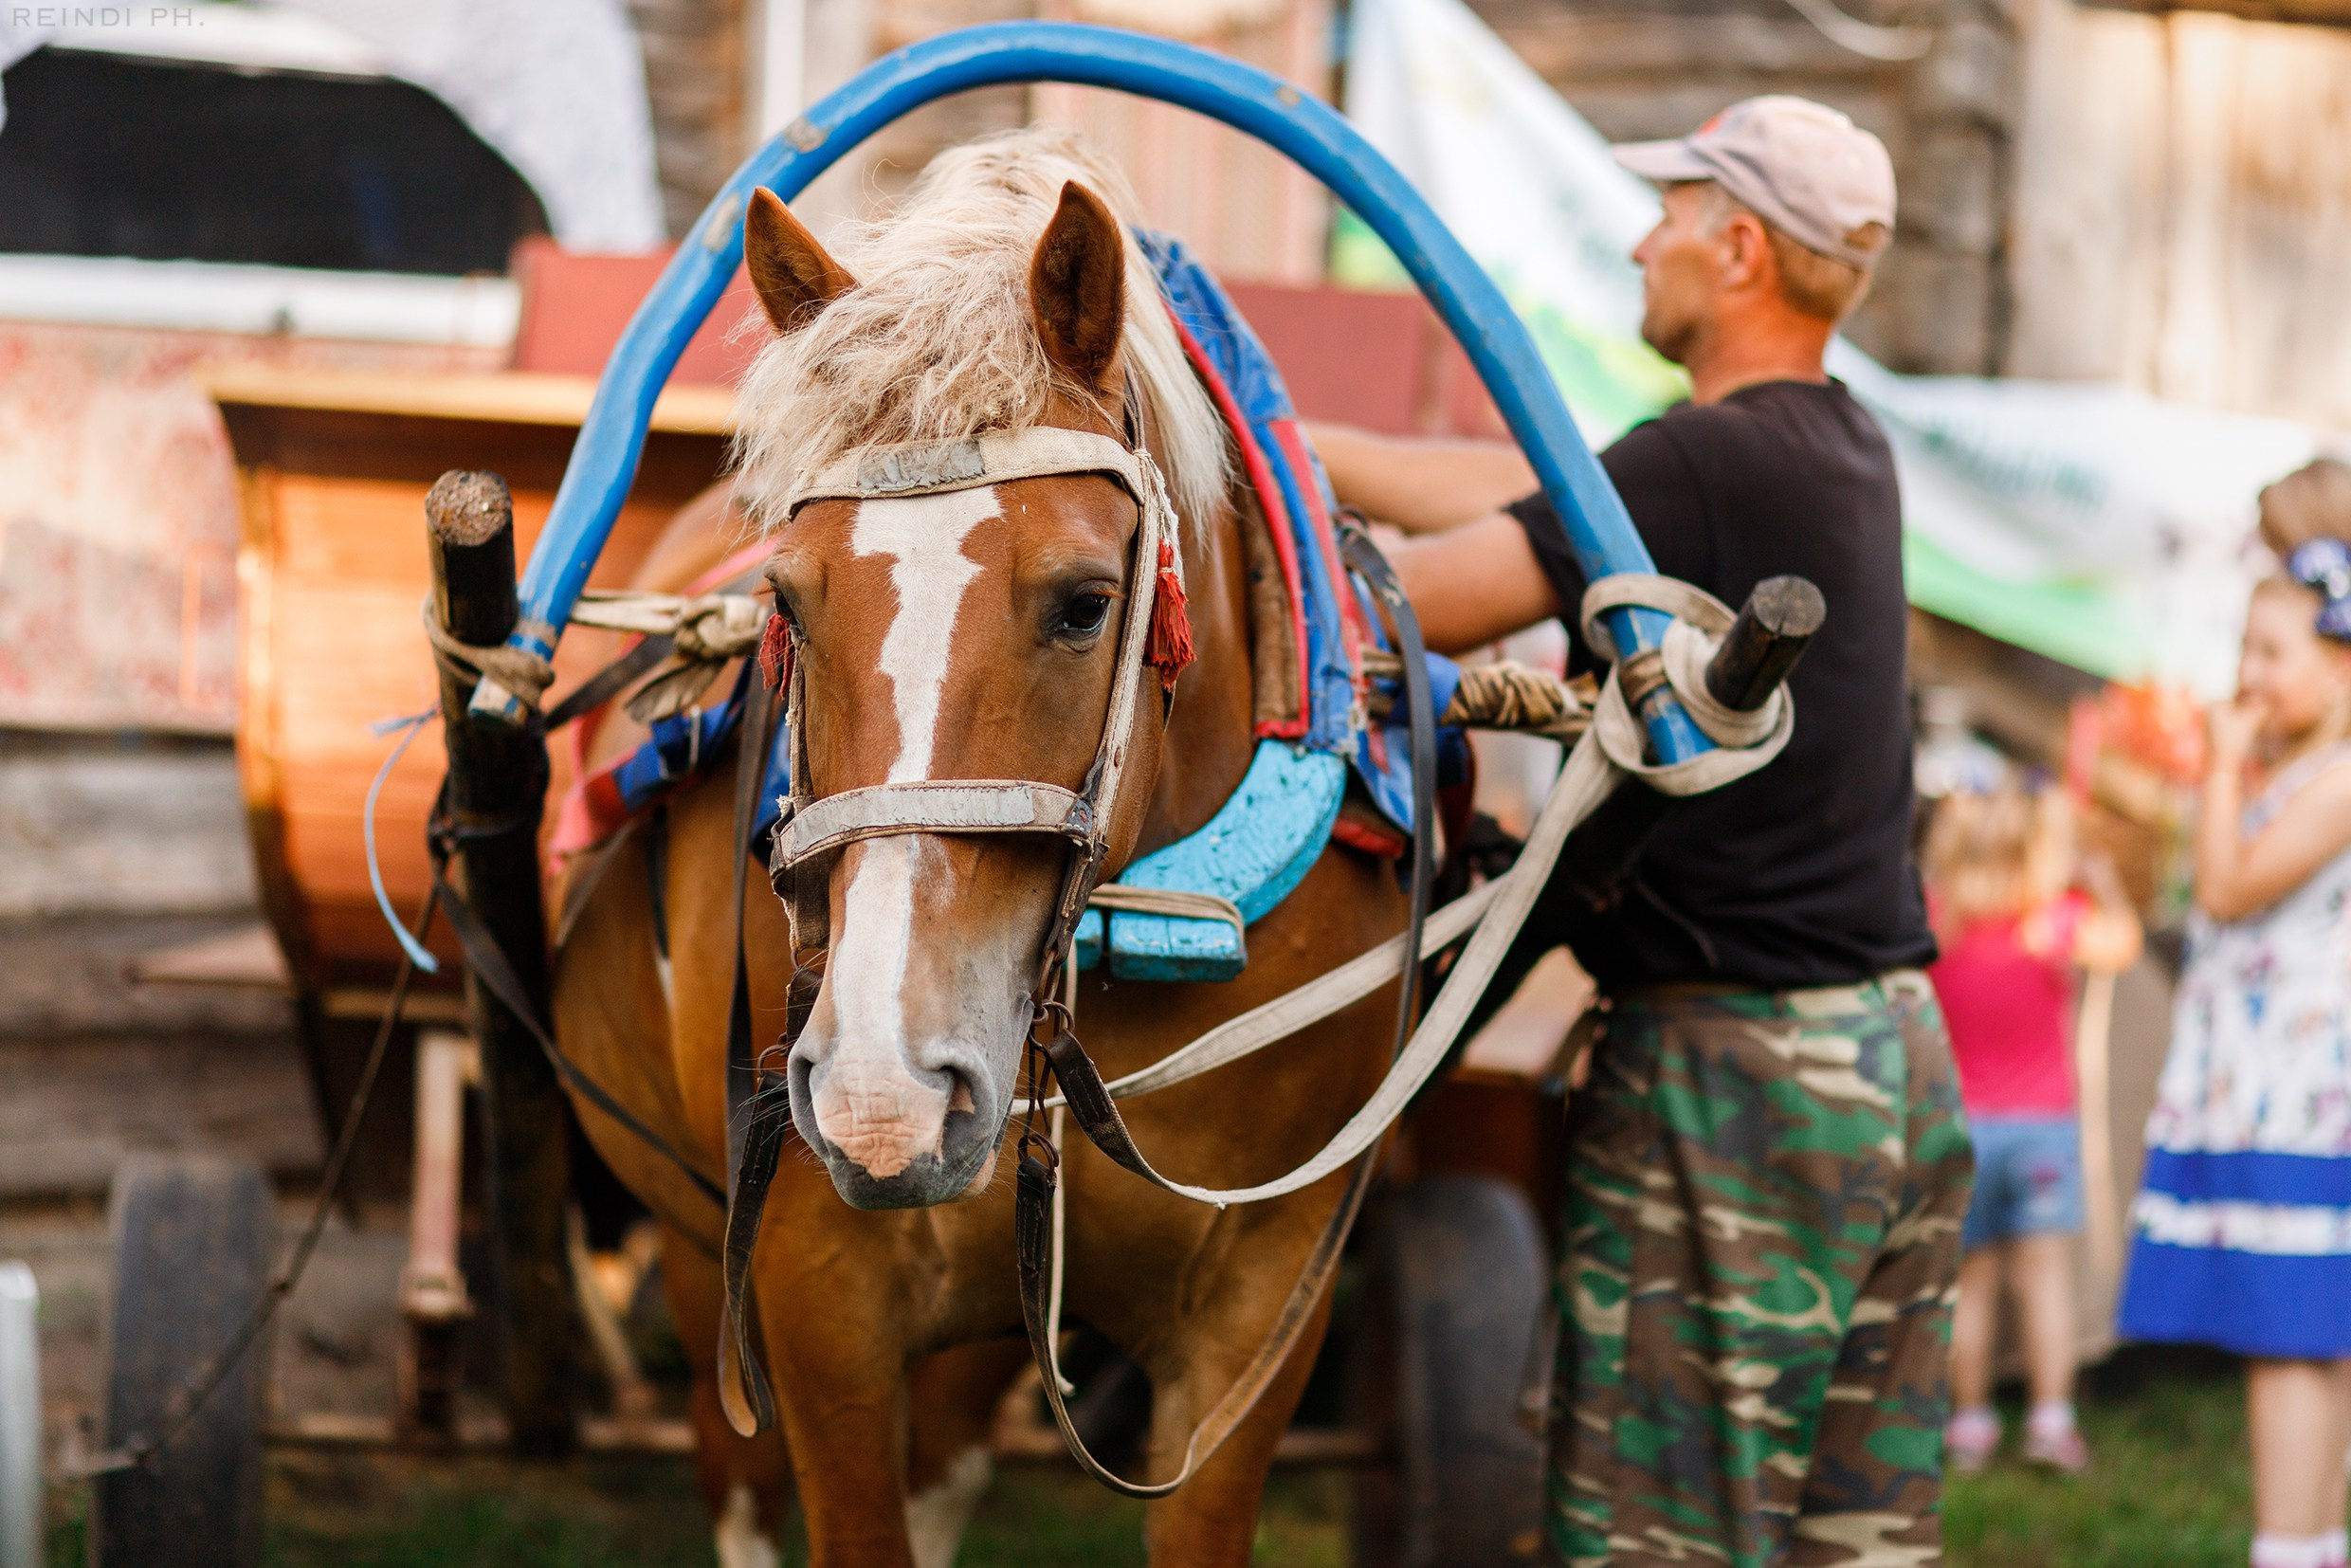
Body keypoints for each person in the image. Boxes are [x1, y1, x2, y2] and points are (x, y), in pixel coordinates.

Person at [1315, 96, 1972, 1567]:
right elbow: (1542, 505)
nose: (1639, 240)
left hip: (1736, 1078)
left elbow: (1431, 590)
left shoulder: (1708, 462)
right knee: (1851, 1535)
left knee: (1657, 1535)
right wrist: (1307, 447)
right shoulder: (1830, 444)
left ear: (1738, 248)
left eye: (1668, 215)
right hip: (1886, 1052)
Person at [2118, 507, 2351, 1568]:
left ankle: (2287, 1546)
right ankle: (2310, 1537)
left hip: (2303, 1098)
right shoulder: (2308, 771)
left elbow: (2221, 885)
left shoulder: (2339, 777)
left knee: (2289, 1337)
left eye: (2270, 651)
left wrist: (2215, 765)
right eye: (2241, 647)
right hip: (2284, 1086)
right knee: (2308, 1333)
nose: (2244, 673)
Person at [1924, 781, 2142, 1475]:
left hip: (1962, 1128)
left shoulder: (1940, 919)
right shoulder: (2053, 921)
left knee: (1973, 1280)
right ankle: (2051, 1420)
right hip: (2042, 1129)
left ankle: (1969, 1423)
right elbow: (2126, 945)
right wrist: (2104, 887)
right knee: (2042, 1276)